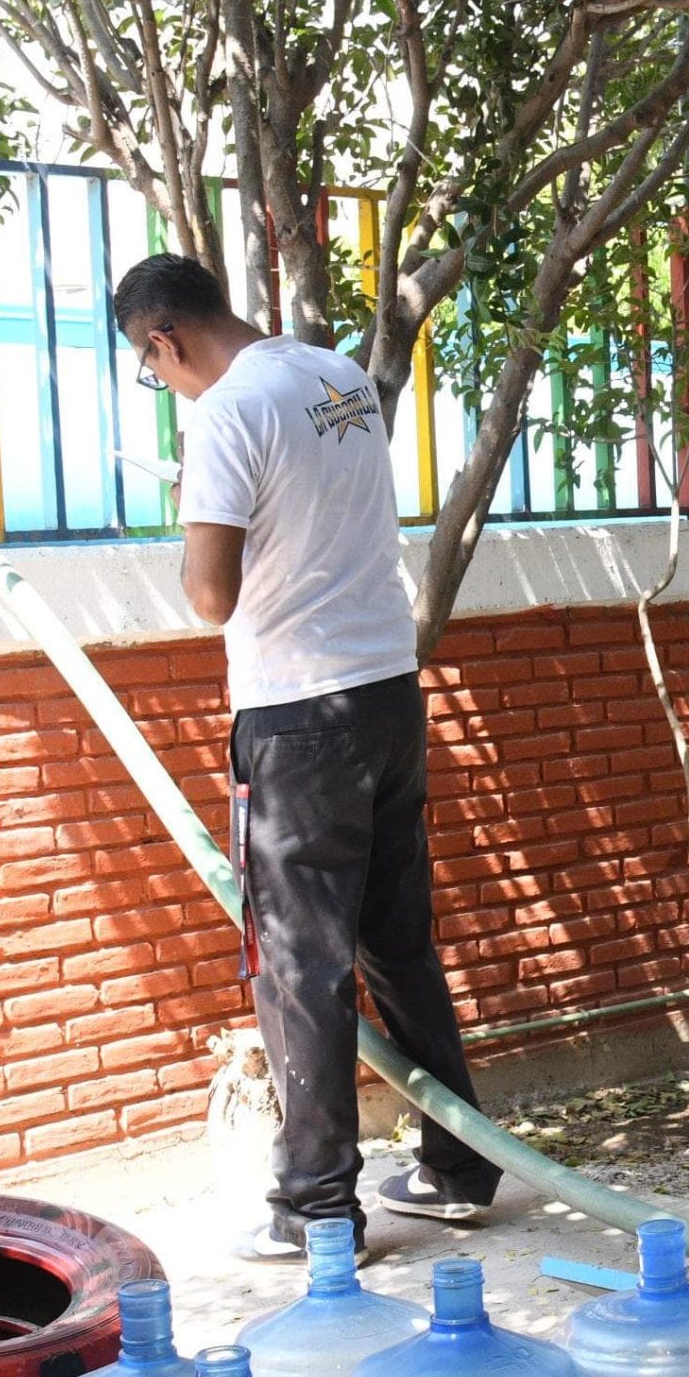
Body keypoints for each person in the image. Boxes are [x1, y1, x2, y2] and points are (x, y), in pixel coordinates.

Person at [110, 252, 502, 1261]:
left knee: (299, 963)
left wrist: (189, 512)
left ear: (165, 339)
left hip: (294, 717)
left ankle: (316, 1206)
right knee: (396, 942)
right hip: (384, 692)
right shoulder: (335, 376)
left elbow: (210, 595)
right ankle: (456, 1168)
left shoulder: (227, 413)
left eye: (154, 369)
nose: (165, 384)